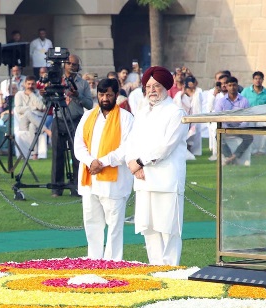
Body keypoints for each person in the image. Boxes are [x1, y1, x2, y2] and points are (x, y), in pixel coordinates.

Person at [123, 66, 190, 265]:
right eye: (149, 86)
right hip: (143, 179)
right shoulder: (142, 112)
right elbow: (131, 141)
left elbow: (165, 146)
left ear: (166, 87)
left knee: (168, 228)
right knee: (148, 227)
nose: (152, 90)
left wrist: (140, 162)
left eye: (157, 86)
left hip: (167, 180)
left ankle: (170, 270)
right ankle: (154, 266)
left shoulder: (176, 112)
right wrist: (132, 163)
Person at [73, 78, 135, 260]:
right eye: (101, 94)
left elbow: (126, 148)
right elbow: (79, 145)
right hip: (90, 179)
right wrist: (91, 161)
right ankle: (94, 259)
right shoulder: (88, 116)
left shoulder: (126, 118)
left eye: (109, 94)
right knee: (92, 223)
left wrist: (102, 162)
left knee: (114, 225)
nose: (105, 98)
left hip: (114, 182)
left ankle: (113, 262)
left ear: (117, 95)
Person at [51, 53, 93, 196]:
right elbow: (48, 101)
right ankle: (57, 188)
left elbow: (89, 104)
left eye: (74, 64)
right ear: (64, 64)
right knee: (57, 154)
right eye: (69, 63)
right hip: (59, 118)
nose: (71, 66)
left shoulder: (83, 83)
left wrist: (77, 96)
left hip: (76, 120)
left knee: (78, 154)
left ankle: (76, 187)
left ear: (78, 66)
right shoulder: (56, 80)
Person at [214, 76, 253, 166]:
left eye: (234, 85)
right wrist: (227, 129)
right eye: (230, 85)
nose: (232, 87)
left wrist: (239, 128)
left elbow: (247, 118)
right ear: (226, 87)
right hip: (226, 128)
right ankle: (229, 157)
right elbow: (219, 117)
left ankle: (233, 157)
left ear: (237, 86)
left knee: (249, 137)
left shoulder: (244, 101)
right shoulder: (221, 101)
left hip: (241, 128)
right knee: (218, 136)